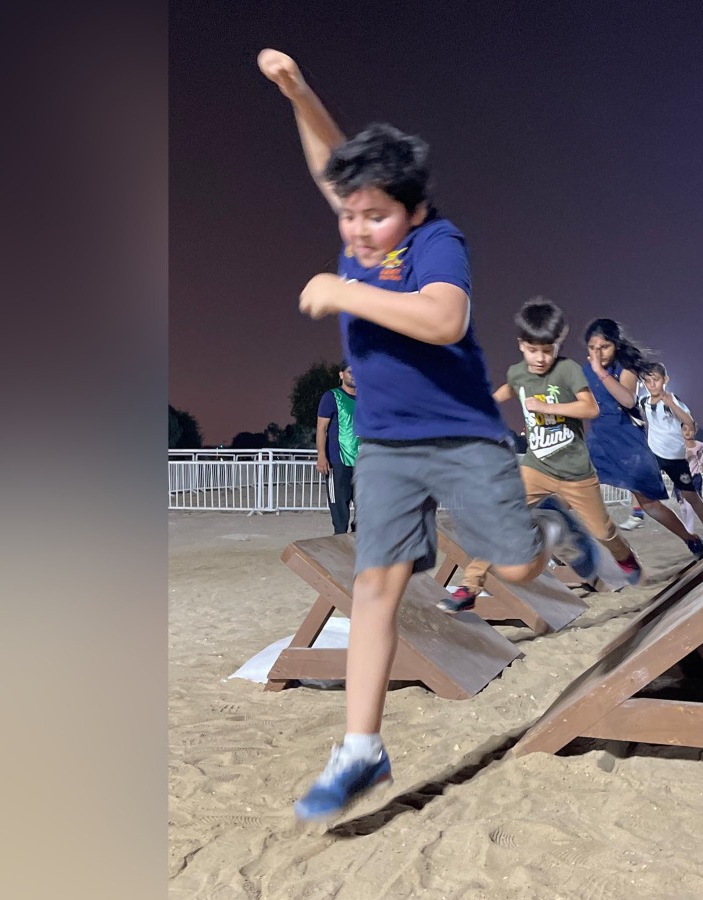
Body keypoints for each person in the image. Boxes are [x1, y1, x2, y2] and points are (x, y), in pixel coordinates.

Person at [258, 48, 603, 823]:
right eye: (348, 213)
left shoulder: (435, 243)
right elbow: (330, 161)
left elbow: (445, 319)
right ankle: (362, 749)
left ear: (411, 211)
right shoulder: (359, 228)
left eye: (373, 215)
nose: (356, 228)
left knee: (514, 563)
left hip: (459, 436)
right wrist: (299, 90)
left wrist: (346, 289)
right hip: (383, 446)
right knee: (375, 585)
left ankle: (547, 525)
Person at [444, 300, 643, 610]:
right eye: (533, 350)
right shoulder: (518, 373)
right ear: (521, 345)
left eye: (547, 350)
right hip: (536, 469)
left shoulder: (567, 370)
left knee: (602, 530)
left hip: (576, 472)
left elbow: (590, 408)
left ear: (557, 345)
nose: (540, 358)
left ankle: (625, 557)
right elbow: (504, 391)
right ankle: (469, 587)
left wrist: (547, 407)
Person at [582, 318, 703, 559]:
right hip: (598, 440)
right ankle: (584, 555)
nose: (597, 354)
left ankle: (692, 540)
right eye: (592, 348)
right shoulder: (584, 370)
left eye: (604, 347)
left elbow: (628, 400)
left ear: (616, 345)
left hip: (628, 444)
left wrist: (600, 373)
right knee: (576, 494)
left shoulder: (625, 367)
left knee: (650, 504)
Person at [637, 362, 703, 538]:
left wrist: (671, 404)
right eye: (647, 381)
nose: (652, 385)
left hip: (675, 457)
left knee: (689, 493)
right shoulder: (643, 401)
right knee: (637, 478)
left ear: (665, 380)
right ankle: (636, 513)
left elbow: (689, 422)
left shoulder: (672, 399)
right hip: (654, 453)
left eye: (656, 380)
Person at [316, 361, 358, 535]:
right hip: (338, 461)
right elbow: (321, 428)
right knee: (340, 510)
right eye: (350, 371)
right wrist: (321, 455)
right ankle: (340, 542)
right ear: (341, 374)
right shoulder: (331, 397)